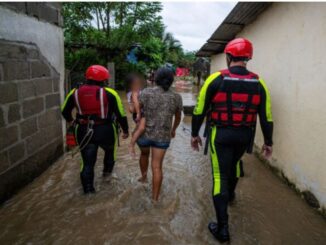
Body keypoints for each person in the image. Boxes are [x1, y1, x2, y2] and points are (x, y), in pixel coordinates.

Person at [191, 38, 273, 242]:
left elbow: (199, 110)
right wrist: (268, 142)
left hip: (221, 135)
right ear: (248, 57)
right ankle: (232, 195)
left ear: (228, 57)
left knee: (220, 176)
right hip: (244, 135)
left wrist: (194, 134)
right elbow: (266, 116)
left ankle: (223, 229)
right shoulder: (259, 82)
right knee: (235, 163)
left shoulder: (215, 79)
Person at [61, 65, 129, 194]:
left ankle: (88, 191)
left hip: (83, 130)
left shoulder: (74, 92)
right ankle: (106, 178)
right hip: (106, 130)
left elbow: (64, 111)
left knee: (87, 163)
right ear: (103, 79)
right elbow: (121, 114)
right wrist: (125, 130)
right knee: (110, 154)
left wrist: (72, 122)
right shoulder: (110, 93)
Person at [132, 67, 183, 201]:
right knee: (157, 167)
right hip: (162, 137)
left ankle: (143, 178)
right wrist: (173, 129)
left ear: (156, 79)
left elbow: (134, 109)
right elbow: (178, 117)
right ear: (171, 80)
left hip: (144, 135)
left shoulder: (146, 92)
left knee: (144, 154)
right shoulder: (176, 97)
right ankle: (155, 199)